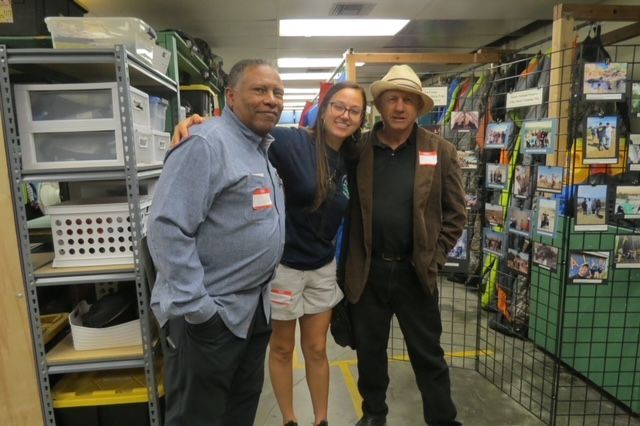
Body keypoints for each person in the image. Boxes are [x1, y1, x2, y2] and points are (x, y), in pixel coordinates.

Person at [173, 81, 368, 426]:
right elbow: (245, 129)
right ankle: (289, 420)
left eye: (354, 110)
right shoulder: (292, 141)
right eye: (339, 106)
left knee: (317, 349)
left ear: (361, 118)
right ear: (323, 109)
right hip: (284, 267)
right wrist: (200, 123)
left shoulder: (355, 156)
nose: (345, 115)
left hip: (322, 267)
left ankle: (321, 420)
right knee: (281, 349)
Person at [146, 59, 286, 426]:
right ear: (231, 96)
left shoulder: (258, 147)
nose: (271, 99)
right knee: (199, 418)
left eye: (277, 92)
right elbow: (165, 228)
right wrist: (201, 311)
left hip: (253, 311)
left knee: (239, 412)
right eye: (260, 90)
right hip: (212, 317)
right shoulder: (205, 144)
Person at [342, 64, 466, 426]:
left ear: (418, 107)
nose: (399, 107)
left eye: (408, 100)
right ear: (379, 105)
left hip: (416, 272)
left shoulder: (439, 151)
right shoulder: (358, 149)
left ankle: (443, 420)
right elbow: (314, 141)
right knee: (370, 352)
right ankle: (373, 415)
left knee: (428, 354)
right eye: (392, 99)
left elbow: (456, 214)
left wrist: (434, 257)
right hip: (367, 270)